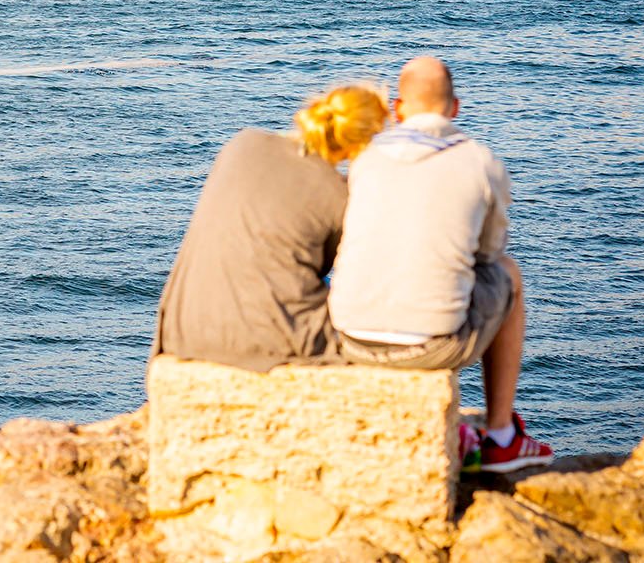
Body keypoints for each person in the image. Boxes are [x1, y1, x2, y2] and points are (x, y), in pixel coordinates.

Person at [329, 56, 554, 473]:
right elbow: (487, 257)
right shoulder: (481, 161)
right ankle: (502, 436)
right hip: (432, 345)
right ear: (455, 108)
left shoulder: (364, 160)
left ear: (398, 109)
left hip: (351, 339)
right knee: (510, 273)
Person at [152, 85, 389, 372]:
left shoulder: (243, 144)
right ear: (364, 143)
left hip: (181, 332)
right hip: (268, 344)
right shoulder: (340, 197)